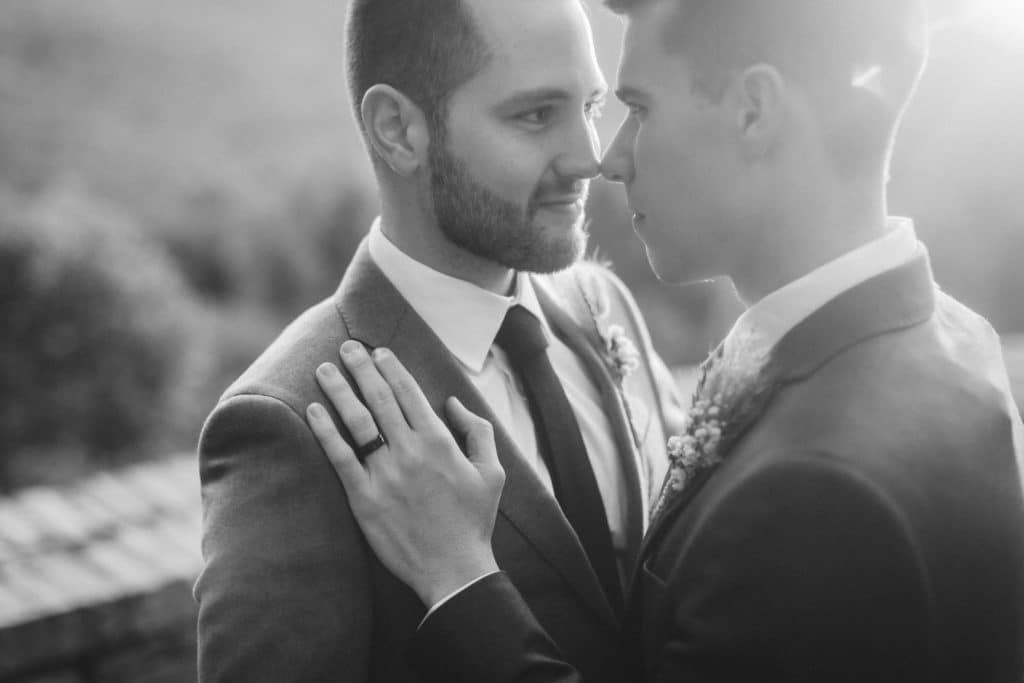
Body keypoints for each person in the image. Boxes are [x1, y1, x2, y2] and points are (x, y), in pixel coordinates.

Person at [306, 0, 1024, 681]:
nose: (609, 158)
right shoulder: (953, 337)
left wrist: (458, 578)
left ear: (753, 112)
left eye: (637, 109)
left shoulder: (810, 495)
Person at [193, 0, 683, 680]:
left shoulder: (603, 305)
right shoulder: (292, 423)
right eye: (536, 115)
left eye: (591, 107)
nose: (589, 159)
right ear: (398, 130)